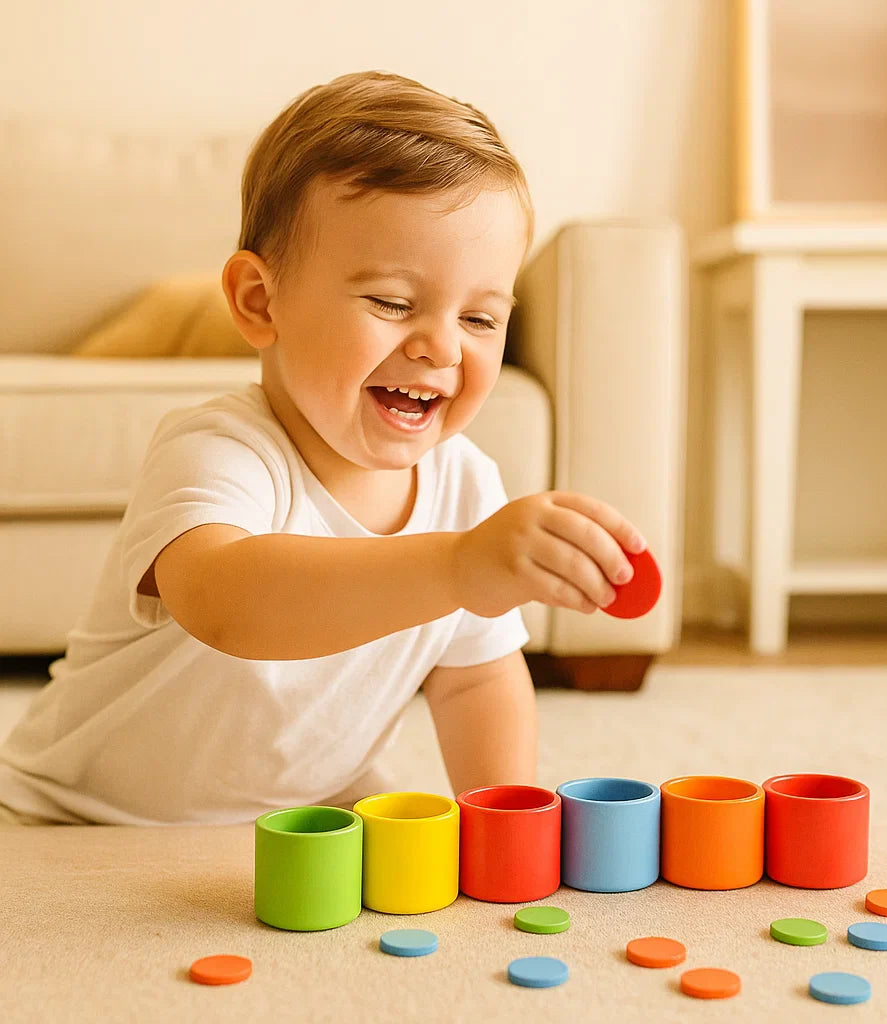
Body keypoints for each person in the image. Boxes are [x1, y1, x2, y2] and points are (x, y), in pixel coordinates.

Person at [0, 70, 645, 826]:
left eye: (480, 319)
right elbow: (227, 604)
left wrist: (503, 826)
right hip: (85, 822)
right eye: (392, 303)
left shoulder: (467, 485)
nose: (440, 345)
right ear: (258, 301)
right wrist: (457, 565)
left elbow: (475, 681)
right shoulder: (219, 449)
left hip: (310, 821)